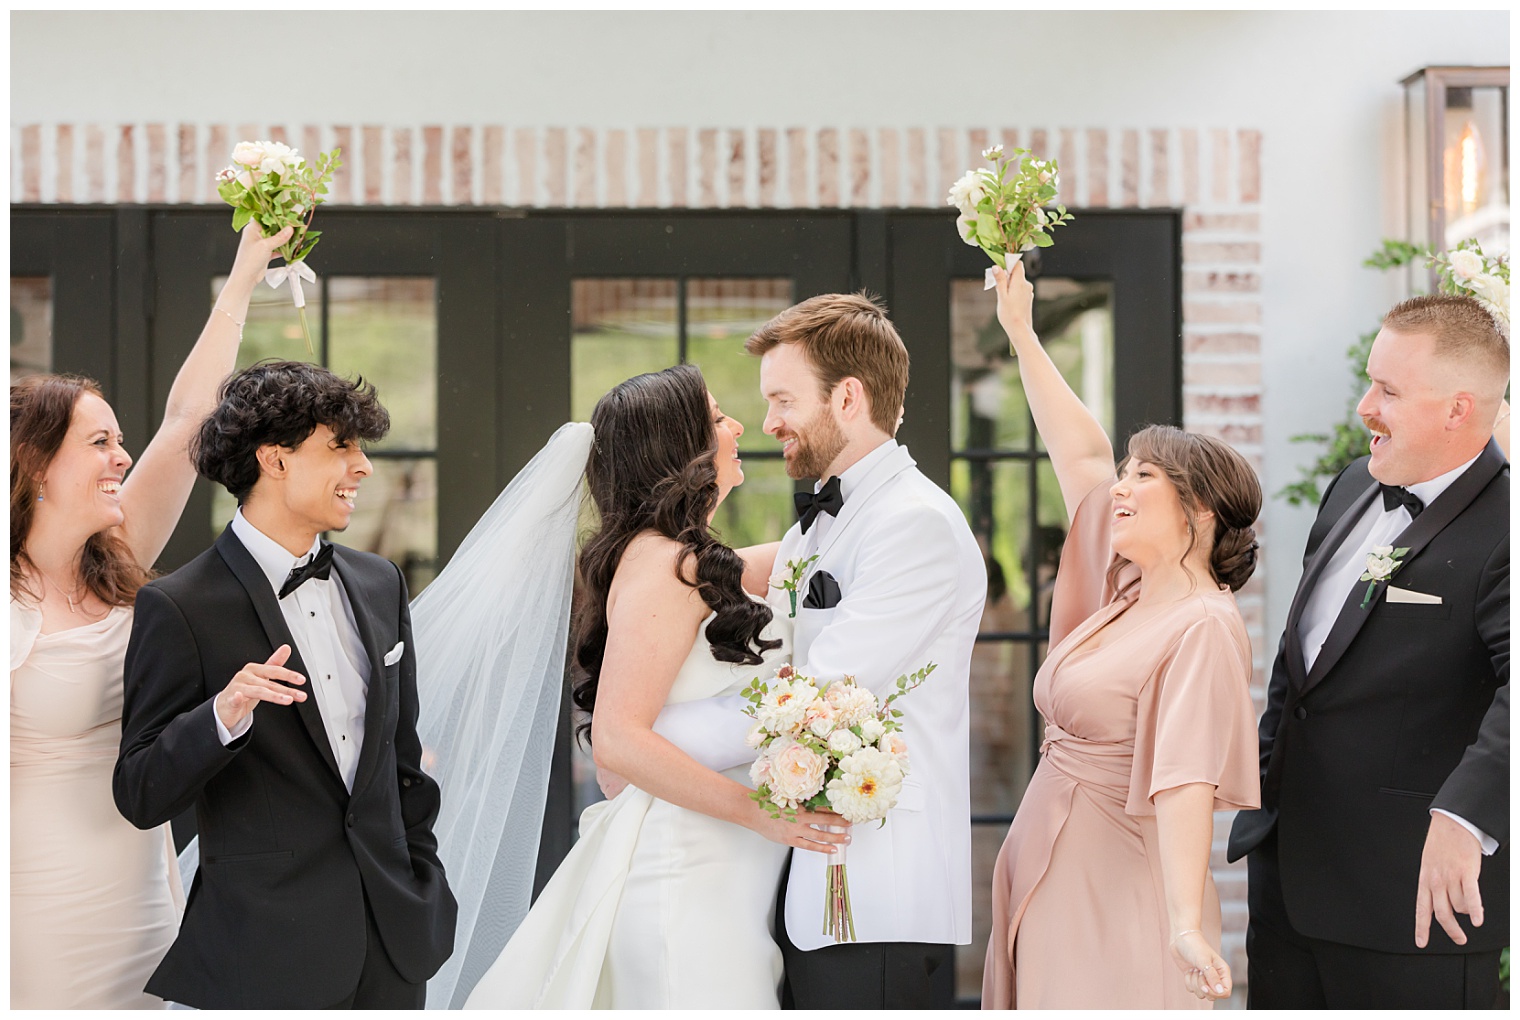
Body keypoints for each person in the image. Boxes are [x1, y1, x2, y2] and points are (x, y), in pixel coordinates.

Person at [462, 364, 848, 1009]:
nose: (737, 427)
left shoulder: (687, 559)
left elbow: (797, 555)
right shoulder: (663, 564)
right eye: (720, 417)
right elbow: (617, 739)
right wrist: (758, 812)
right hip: (684, 876)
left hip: (722, 877)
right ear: (684, 447)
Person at [645, 295, 987, 1009]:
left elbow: (812, 693)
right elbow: (724, 593)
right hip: (810, 885)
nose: (767, 423)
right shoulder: (823, 521)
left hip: (879, 891)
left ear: (849, 397)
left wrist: (638, 740)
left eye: (782, 400)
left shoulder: (915, 526)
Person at [112, 361, 458, 1008]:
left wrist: (421, 875)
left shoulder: (379, 582)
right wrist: (223, 714)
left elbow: (401, 760)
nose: (363, 467)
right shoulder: (181, 606)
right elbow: (139, 790)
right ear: (274, 460)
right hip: (266, 955)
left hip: (392, 942)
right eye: (341, 446)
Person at [9, 224, 292, 1009]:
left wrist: (242, 275)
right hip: (30, 903)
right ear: (35, 465)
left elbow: (188, 421)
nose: (120, 459)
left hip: (138, 887)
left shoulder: (121, 552)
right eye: (99, 443)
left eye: (118, 441)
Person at [982, 261, 1262, 1008]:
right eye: (1127, 474)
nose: (1121, 489)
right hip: (1052, 869)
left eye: (1144, 478)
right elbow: (1080, 456)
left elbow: (1185, 781)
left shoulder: (1201, 625)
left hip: (1121, 895)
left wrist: (1182, 922)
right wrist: (1021, 333)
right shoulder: (1125, 586)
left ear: (1198, 509)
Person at [1227, 294, 1508, 1009]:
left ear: (1458, 410)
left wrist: (1465, 817)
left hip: (1409, 906)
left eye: (1388, 390)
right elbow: (1303, 671)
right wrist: (1257, 792)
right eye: (1369, 381)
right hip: (1286, 894)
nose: (1364, 407)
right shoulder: (1354, 485)